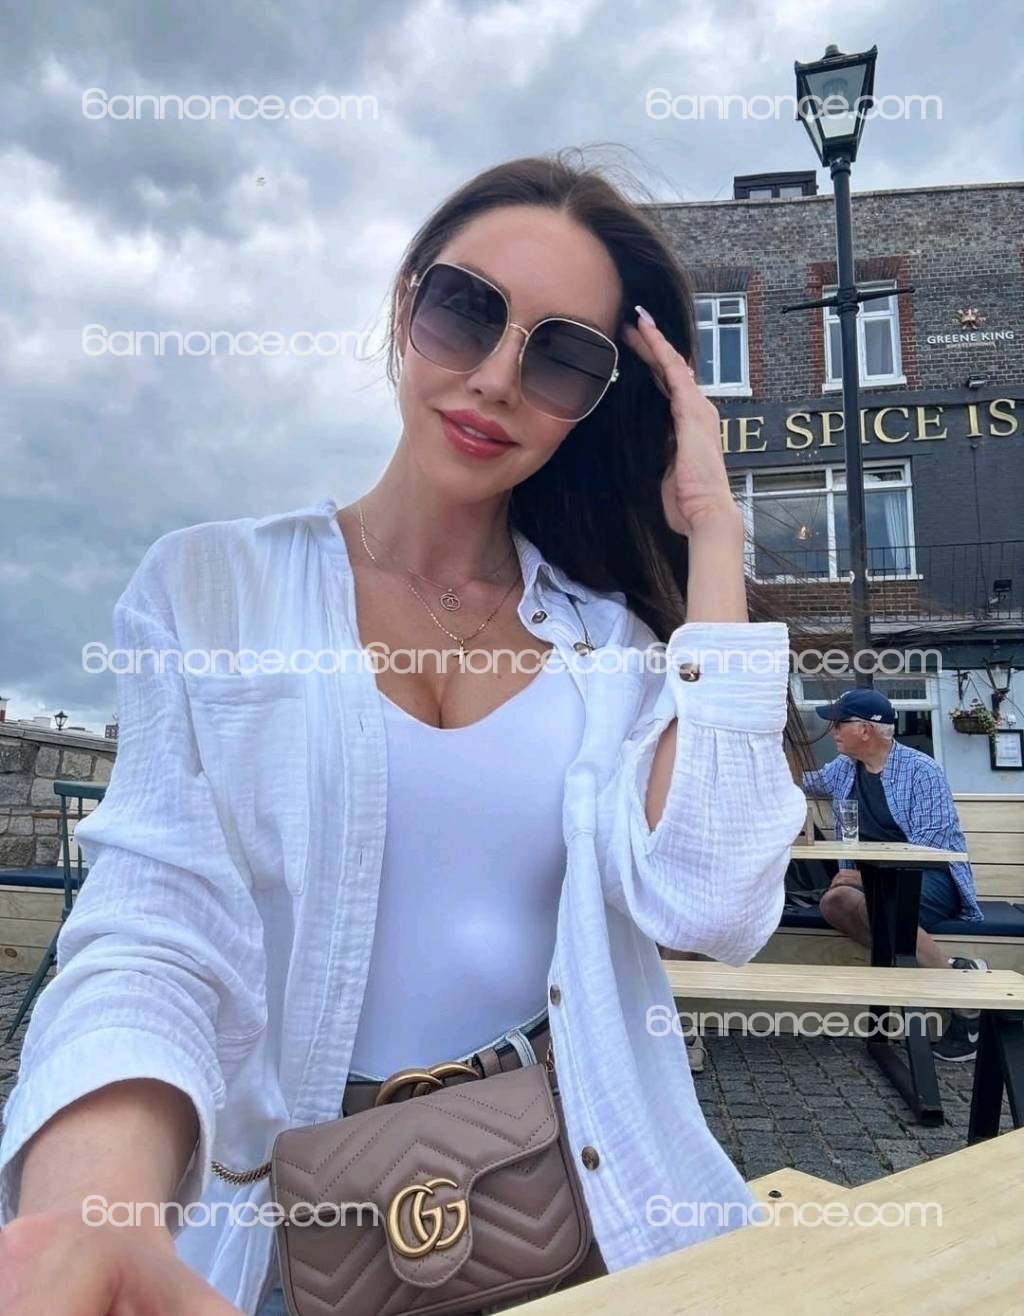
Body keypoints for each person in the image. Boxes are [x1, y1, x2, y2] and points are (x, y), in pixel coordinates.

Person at [0, 152, 807, 1316]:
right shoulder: (213, 590)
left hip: (573, 1205)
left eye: (561, 357)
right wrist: (95, 1216)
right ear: (403, 304)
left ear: (596, 403)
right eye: (466, 310)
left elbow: (717, 904)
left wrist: (712, 528)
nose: (495, 377)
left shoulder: (613, 648)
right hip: (288, 1237)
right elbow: (153, 932)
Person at [801, 689, 987, 1063]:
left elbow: (929, 848)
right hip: (872, 885)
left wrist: (863, 877)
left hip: (929, 879)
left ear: (865, 730)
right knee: (834, 903)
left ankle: (967, 1007)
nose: (832, 731)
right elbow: (803, 782)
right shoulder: (844, 768)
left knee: (882, 903)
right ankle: (951, 969)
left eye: (839, 723)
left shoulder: (922, 771)